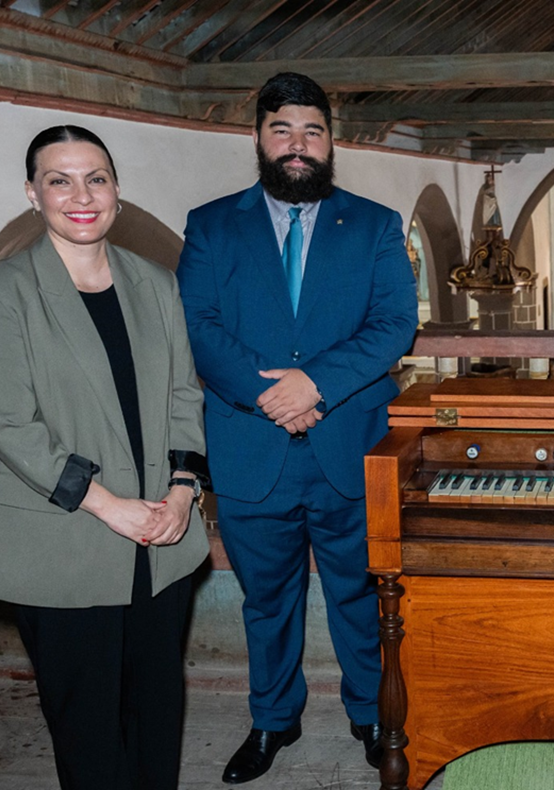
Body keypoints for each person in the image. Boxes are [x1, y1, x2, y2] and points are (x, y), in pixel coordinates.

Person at [176, 72, 418, 784]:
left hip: (348, 443)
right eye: (283, 130)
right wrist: (273, 396)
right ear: (259, 137)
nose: (298, 145)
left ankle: (373, 716)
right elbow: (200, 328)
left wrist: (319, 384)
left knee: (358, 593)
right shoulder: (212, 225)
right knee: (267, 600)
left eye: (312, 131)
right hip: (254, 450)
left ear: (331, 141)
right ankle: (272, 720)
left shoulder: (373, 225)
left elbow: (393, 325)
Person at [0, 125, 209, 790]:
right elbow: (13, 425)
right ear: (32, 194)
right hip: (65, 537)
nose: (81, 194)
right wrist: (108, 505)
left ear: (116, 190)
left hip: (162, 534)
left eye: (95, 177)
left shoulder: (157, 283)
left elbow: (184, 394)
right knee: (88, 727)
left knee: (157, 712)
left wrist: (183, 491)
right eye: (59, 179)